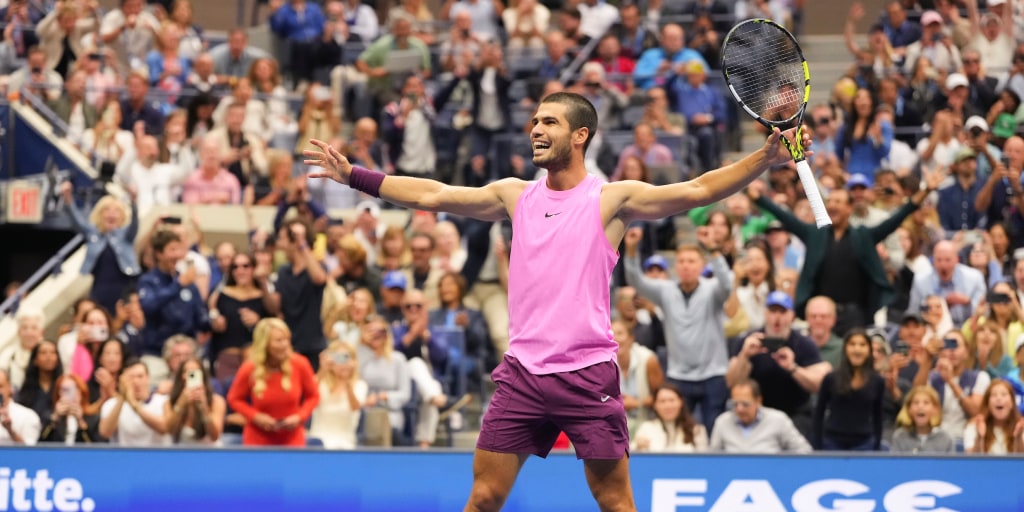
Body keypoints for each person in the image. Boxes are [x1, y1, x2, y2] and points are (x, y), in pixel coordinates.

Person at [305, 90, 810, 511]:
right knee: (483, 497)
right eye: (533, 121)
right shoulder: (513, 194)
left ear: (580, 135)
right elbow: (434, 195)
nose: (535, 129)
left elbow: (698, 188)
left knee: (615, 503)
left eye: (549, 121)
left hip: (587, 373)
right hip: (522, 373)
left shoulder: (612, 199)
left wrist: (764, 157)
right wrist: (355, 176)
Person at [226, 318, 320, 446]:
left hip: (292, 439)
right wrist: (255, 416)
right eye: (278, 341)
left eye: (286, 339)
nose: (285, 344)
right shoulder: (249, 368)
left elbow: (313, 396)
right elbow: (234, 399)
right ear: (265, 343)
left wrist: (299, 417)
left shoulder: (300, 364)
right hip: (258, 439)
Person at [812, 330, 885, 451]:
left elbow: (878, 417)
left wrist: (876, 446)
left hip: (865, 444)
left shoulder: (877, 382)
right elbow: (819, 413)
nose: (857, 349)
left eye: (862, 345)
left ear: (869, 350)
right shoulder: (830, 379)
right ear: (845, 348)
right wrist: (817, 446)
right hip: (832, 444)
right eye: (852, 344)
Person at [708, 379, 812, 454]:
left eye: (745, 404)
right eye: (734, 404)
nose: (739, 409)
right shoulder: (722, 421)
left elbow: (804, 450)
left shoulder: (778, 419)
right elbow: (712, 458)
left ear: (758, 401)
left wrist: (782, 467)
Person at [308, 341, 368, 449]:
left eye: (346, 357)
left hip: (345, 443)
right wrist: (322, 370)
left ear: (354, 361)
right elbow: (307, 394)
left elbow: (355, 407)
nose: (342, 363)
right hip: (318, 441)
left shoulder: (360, 385)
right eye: (338, 358)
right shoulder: (320, 382)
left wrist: (348, 383)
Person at [630, 386, 706, 453]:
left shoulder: (696, 430)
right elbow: (632, 456)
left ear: (681, 402)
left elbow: (704, 461)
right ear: (655, 405)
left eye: (672, 400)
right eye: (662, 401)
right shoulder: (646, 428)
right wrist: (638, 447)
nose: (668, 406)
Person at [889, 386, 956, 454]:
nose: (920, 406)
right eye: (916, 403)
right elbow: (894, 464)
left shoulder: (945, 439)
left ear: (935, 409)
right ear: (909, 409)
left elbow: (951, 464)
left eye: (926, 403)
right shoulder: (900, 437)